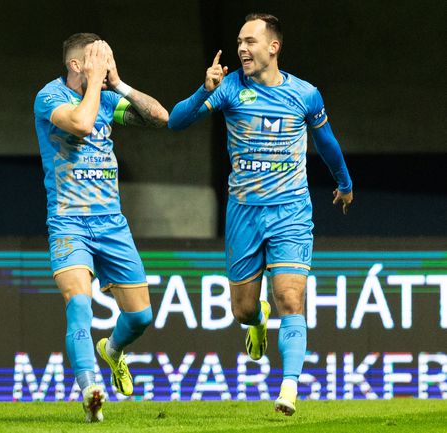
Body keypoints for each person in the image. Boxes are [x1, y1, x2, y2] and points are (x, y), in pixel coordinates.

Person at [168, 13, 353, 416]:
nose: (241, 49)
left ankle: (288, 387)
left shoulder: (305, 94)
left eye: (249, 41)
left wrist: (344, 182)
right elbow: (176, 122)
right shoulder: (229, 88)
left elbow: (326, 142)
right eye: (239, 42)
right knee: (243, 310)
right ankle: (256, 323)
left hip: (291, 211)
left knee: (290, 297)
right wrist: (203, 90)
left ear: (274, 47)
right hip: (244, 213)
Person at [33, 33, 168, 422]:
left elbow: (160, 117)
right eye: (100, 59)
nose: (107, 66)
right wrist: (95, 83)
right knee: (79, 303)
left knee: (140, 318)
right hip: (68, 220)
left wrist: (118, 84)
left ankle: (113, 351)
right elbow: (81, 123)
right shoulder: (50, 97)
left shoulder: (108, 97)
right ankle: (90, 388)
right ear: (77, 64)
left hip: (112, 223)